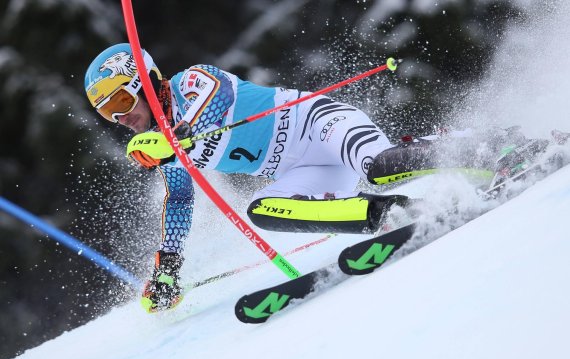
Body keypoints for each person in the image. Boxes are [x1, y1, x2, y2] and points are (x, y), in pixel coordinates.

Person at [84, 43, 519, 312]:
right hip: (300, 169)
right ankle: (390, 217)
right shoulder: (165, 149)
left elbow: (215, 106)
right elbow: (179, 202)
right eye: (108, 112)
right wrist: (168, 268)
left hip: (318, 124)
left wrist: (175, 138)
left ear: (145, 81)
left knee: (379, 167)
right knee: (264, 209)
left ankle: (488, 147)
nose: (121, 117)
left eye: (122, 98)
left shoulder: (193, 83)